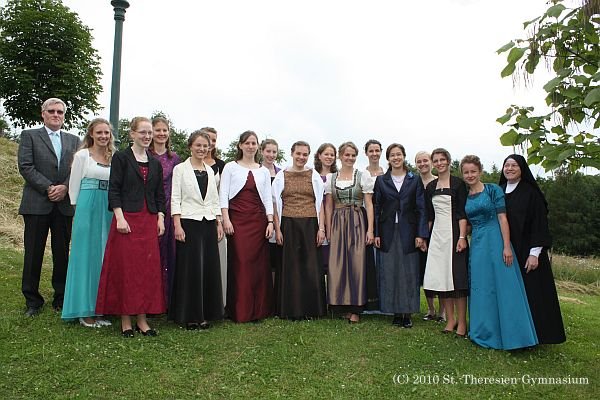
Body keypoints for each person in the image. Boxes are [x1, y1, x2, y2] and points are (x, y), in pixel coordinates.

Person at [95, 117, 166, 337]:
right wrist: (120, 217)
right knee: (127, 270)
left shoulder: (154, 162)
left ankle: (142, 320)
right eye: (143, 132)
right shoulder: (121, 158)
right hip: (127, 219)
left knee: (146, 271)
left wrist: (160, 218)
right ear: (132, 134)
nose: (147, 137)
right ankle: (126, 320)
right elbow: (114, 189)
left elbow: (159, 194)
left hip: (148, 220)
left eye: (150, 133)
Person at [462, 155, 538, 349]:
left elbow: (503, 219)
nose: (470, 175)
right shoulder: (466, 196)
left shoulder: (492, 190)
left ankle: (515, 336)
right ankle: (483, 332)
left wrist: (506, 246)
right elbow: (467, 223)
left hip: (496, 240)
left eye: (473, 171)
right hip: (478, 244)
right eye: (466, 172)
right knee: (482, 287)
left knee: (505, 287)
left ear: (480, 171)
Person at [17, 98, 80, 316]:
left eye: (60, 112)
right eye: (51, 111)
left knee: (62, 253)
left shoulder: (74, 140)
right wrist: (48, 187)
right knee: (33, 253)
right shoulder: (29, 136)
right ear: (43, 114)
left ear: (64, 115)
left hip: (63, 205)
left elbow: (77, 169)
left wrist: (64, 187)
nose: (56, 115)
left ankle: (61, 297)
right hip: (37, 203)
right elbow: (25, 166)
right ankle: (32, 301)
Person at [499, 154, 566, 344]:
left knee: (534, 294)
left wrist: (535, 253)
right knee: (514, 293)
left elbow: (539, 224)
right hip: (509, 250)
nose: (509, 168)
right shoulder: (500, 190)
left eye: (514, 165)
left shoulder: (531, 193)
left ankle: (540, 335)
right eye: (507, 165)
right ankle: (517, 333)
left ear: (522, 169)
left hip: (528, 251)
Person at [61, 118, 114, 328]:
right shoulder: (83, 156)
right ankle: (84, 309)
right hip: (87, 205)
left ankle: (99, 307)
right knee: (85, 256)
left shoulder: (113, 156)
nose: (103, 136)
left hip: (107, 207)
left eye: (106, 133)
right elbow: (74, 187)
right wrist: (77, 212)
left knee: (103, 256)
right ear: (91, 134)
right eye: (99, 132)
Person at [169, 131, 223, 330]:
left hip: (208, 222)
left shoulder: (210, 170)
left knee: (207, 268)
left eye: (205, 146)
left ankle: (205, 314)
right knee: (190, 270)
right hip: (188, 223)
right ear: (190, 146)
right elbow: (175, 198)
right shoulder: (180, 169)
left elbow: (214, 199)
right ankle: (190, 316)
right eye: (198, 145)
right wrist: (177, 225)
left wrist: (218, 222)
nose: (202, 149)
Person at [220, 131, 274, 323]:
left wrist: (270, 221)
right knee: (241, 264)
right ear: (240, 146)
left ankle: (258, 310)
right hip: (237, 221)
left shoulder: (263, 171)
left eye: (254, 143)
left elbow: (268, 197)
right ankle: (240, 310)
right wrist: (226, 220)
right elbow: (223, 195)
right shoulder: (230, 167)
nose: (251, 146)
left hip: (258, 221)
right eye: (247, 143)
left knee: (258, 266)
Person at [374, 144, 429, 328]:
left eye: (399, 154)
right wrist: (375, 233)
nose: (396, 158)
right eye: (392, 155)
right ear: (388, 159)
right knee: (389, 271)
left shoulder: (414, 180)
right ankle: (394, 311)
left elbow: (422, 209)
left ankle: (407, 313)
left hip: (409, 232)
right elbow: (376, 208)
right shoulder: (382, 180)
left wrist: (421, 234)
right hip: (387, 231)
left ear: (404, 157)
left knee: (409, 273)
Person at [272, 141, 327, 320]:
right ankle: (290, 310)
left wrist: (321, 229)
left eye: (305, 154)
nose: (301, 157)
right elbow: (275, 204)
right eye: (299, 154)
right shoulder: (282, 176)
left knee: (310, 268)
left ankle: (311, 309)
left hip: (310, 224)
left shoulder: (314, 175)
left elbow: (320, 204)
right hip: (288, 224)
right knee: (291, 268)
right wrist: (278, 229)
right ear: (292, 153)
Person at [325, 142, 374, 324]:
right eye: (347, 155)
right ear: (340, 156)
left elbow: (369, 204)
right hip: (338, 221)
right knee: (338, 263)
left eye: (353, 155)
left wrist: (370, 229)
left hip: (356, 220)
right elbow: (329, 205)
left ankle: (356, 308)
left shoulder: (362, 176)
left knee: (356, 262)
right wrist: (329, 228)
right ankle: (341, 304)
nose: (350, 158)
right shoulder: (332, 177)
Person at [422, 148, 469, 337]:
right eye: (436, 160)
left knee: (457, 279)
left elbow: (462, 213)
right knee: (442, 278)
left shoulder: (458, 184)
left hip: (455, 233)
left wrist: (462, 237)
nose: (440, 163)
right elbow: (429, 216)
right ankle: (450, 320)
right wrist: (426, 237)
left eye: (443, 159)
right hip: (437, 236)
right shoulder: (430, 187)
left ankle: (462, 323)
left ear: (449, 161)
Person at [150, 116, 181, 303]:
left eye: (164, 130)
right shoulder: (145, 155)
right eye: (158, 130)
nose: (161, 133)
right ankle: (152, 298)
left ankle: (168, 298)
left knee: (170, 254)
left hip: (170, 209)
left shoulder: (174, 158)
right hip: (150, 208)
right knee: (151, 253)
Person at [415, 150, 444, 322]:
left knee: (439, 270)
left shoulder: (438, 182)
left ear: (431, 163)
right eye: (419, 161)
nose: (423, 164)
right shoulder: (413, 182)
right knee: (424, 270)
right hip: (419, 232)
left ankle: (443, 311)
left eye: (425, 160)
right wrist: (421, 235)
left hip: (438, 231)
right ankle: (431, 309)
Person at [200, 127, 227, 308]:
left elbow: (224, 194)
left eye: (214, 140)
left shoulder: (222, 165)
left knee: (219, 259)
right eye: (207, 139)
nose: (210, 143)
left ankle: (219, 303)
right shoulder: (187, 166)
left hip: (216, 217)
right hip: (194, 217)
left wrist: (222, 219)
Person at [363, 139, 384, 312]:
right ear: (366, 153)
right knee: (371, 260)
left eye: (377, 150)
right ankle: (371, 300)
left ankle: (385, 299)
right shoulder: (363, 174)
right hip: (367, 219)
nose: (374, 153)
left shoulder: (387, 173)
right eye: (371, 151)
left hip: (385, 219)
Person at [260, 139, 282, 293]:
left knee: (276, 258)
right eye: (268, 151)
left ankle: (275, 296)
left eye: (274, 152)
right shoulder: (256, 170)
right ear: (262, 151)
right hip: (261, 217)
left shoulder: (281, 173)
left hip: (278, 218)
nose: (271, 155)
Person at [313, 143, 337, 279]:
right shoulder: (311, 175)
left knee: (332, 259)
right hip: (315, 219)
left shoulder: (337, 176)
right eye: (326, 154)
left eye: (332, 155)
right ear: (319, 156)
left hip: (334, 219)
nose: (329, 157)